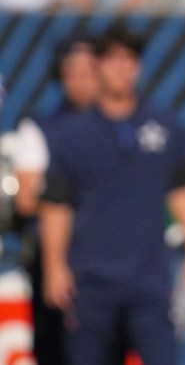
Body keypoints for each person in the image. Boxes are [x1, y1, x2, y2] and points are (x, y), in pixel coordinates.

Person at [37, 25, 185, 365]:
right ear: (98, 66)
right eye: (112, 59)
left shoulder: (165, 126)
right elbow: (57, 205)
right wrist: (54, 266)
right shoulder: (72, 134)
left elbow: (183, 192)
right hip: (90, 282)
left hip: (149, 280)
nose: (120, 67)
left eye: (129, 59)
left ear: (139, 67)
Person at [7, 34, 99, 365]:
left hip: (112, 263)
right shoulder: (44, 127)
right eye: (73, 71)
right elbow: (27, 201)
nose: (82, 80)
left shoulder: (124, 127)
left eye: (90, 70)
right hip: (60, 261)